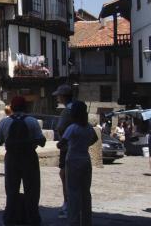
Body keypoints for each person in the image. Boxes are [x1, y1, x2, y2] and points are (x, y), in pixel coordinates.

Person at [0, 96, 47, 226]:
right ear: (25, 107)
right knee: (32, 190)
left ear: (11, 108)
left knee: (11, 189)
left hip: (12, 158)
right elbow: (42, 141)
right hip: (29, 158)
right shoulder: (32, 121)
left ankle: (11, 217)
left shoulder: (4, 122)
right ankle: (32, 217)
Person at [58, 101, 98, 226]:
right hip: (85, 159)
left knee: (73, 192)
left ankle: (74, 220)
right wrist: (85, 144)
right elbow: (95, 138)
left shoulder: (72, 128)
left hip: (73, 159)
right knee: (86, 192)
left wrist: (66, 145)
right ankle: (87, 221)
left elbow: (61, 143)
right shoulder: (89, 127)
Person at [54, 84, 74, 219]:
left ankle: (68, 204)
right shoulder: (77, 108)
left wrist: (63, 141)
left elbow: (60, 128)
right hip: (79, 150)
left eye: (58, 96)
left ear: (63, 97)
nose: (57, 98)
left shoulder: (67, 111)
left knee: (64, 175)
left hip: (67, 149)